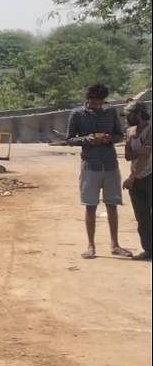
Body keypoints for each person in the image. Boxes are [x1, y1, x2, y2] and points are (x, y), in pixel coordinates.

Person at [66, 84, 131, 259]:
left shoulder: (110, 112)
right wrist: (87, 139)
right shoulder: (77, 115)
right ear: (88, 100)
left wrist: (110, 138)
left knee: (112, 205)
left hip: (110, 164)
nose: (97, 106)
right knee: (90, 206)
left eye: (100, 103)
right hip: (90, 165)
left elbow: (119, 135)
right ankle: (91, 246)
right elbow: (70, 139)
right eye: (94, 102)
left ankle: (115, 245)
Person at [122, 101, 151, 260]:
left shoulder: (150, 129)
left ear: (138, 114)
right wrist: (130, 140)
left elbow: (145, 156)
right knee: (142, 217)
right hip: (137, 177)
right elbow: (128, 156)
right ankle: (149, 250)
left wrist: (131, 178)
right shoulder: (130, 131)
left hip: (148, 175)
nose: (127, 119)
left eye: (129, 115)